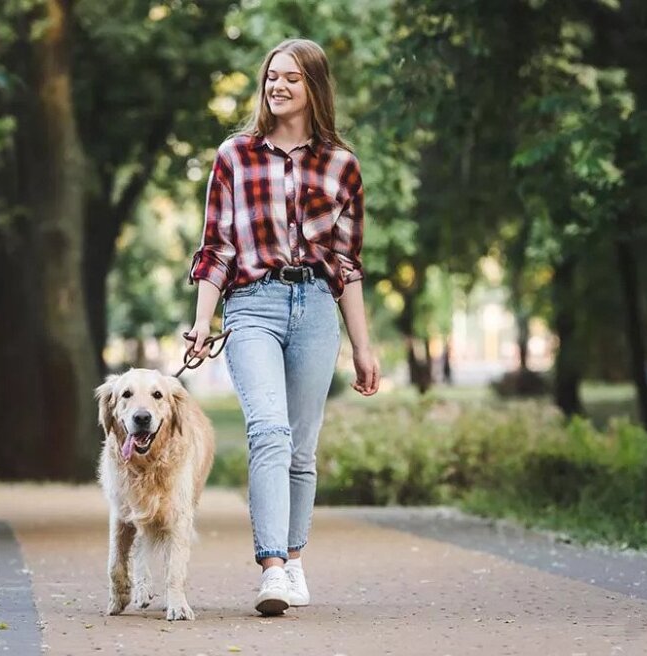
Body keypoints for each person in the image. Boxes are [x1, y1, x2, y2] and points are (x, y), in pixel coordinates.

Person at [185, 38, 380, 616]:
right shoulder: (234, 155)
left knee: (301, 445)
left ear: (313, 86)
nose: (278, 85)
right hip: (252, 305)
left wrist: (363, 347)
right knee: (268, 429)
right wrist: (202, 321)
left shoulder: (342, 165)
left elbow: (347, 265)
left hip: (316, 307)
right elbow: (216, 247)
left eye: (292, 77)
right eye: (272, 76)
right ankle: (271, 568)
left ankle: (294, 560)